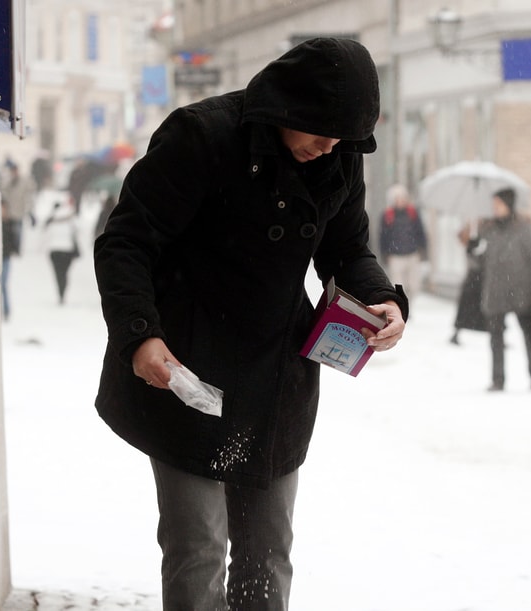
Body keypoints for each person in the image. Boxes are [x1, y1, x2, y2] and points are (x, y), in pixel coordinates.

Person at [93, 37, 408, 611]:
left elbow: (346, 249)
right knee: (198, 548)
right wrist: (141, 335)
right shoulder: (201, 137)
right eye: (320, 131)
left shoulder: (337, 153)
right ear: (289, 108)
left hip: (276, 379)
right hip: (186, 371)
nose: (329, 146)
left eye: (343, 137)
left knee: (267, 552)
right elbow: (126, 243)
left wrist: (381, 298)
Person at [477, 188, 531, 391]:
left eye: (498, 204)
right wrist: (472, 248)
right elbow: (479, 262)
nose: (494, 208)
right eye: (493, 205)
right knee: (496, 339)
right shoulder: (487, 229)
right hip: (495, 292)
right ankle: (498, 380)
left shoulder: (523, 228)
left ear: (508, 205)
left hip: (522, 291)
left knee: (530, 335)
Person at [0, 159, 36, 319]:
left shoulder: (24, 181)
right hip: (9, 215)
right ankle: (14, 248)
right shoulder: (8, 181)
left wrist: (29, 211)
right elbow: (3, 193)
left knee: (17, 233)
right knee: (12, 232)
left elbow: (29, 195)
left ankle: (16, 248)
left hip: (18, 213)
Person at [379, 184, 427, 303]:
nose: (401, 200)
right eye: (398, 198)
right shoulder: (387, 215)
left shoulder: (413, 213)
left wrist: (423, 248)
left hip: (412, 253)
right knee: (398, 284)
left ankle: (410, 305)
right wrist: (385, 253)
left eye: (403, 197)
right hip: (395, 256)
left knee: (414, 284)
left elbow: (420, 231)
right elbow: (382, 236)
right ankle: (402, 304)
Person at [449, 222, 487, 345]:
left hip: (484, 278)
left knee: (491, 309)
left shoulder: (485, 234)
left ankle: (499, 335)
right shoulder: (472, 239)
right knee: (466, 307)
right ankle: (456, 333)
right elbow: (474, 258)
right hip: (474, 279)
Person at [44, 199, 80, 305]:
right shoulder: (70, 220)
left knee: (58, 274)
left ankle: (60, 292)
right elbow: (77, 232)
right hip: (67, 250)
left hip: (54, 251)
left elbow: (45, 236)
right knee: (64, 273)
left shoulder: (51, 221)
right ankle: (63, 292)